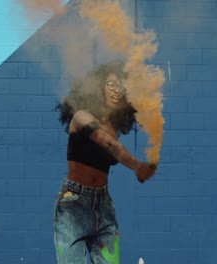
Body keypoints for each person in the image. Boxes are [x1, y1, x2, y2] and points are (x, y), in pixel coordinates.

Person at [53, 60, 157, 264]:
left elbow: (112, 141)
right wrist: (138, 166)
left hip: (104, 206)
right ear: (98, 86)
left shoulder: (113, 129)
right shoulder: (81, 117)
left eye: (121, 87)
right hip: (74, 205)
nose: (117, 91)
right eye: (111, 84)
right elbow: (108, 144)